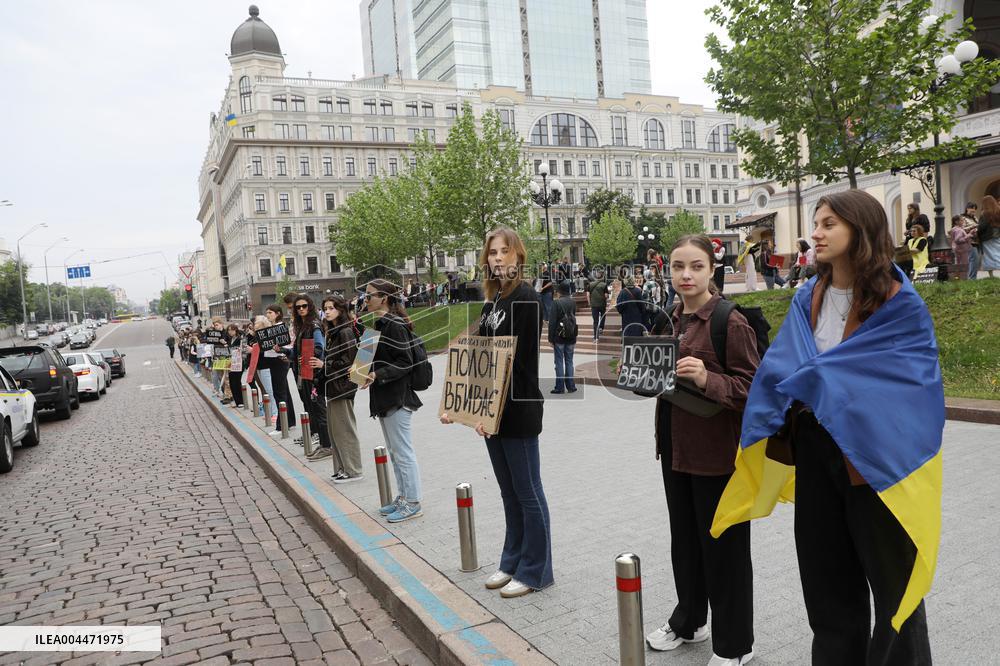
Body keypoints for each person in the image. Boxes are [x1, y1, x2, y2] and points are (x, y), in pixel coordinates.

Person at [712, 189, 941, 665]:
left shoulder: (900, 304)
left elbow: (915, 389)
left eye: (829, 223)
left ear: (861, 231)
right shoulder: (806, 298)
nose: (815, 232)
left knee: (896, 595)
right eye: (816, 222)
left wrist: (823, 380)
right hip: (817, 455)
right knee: (828, 591)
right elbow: (784, 368)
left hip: (877, 463)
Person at [641, 234, 760, 666]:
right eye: (677, 267)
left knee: (725, 550)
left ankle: (735, 645)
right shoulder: (672, 319)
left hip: (718, 457)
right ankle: (689, 621)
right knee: (685, 543)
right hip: (675, 451)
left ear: (712, 270)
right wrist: (641, 373)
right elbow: (661, 383)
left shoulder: (730, 321)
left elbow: (754, 389)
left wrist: (707, 378)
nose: (685, 275)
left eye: (695, 266)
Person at [441, 226, 553, 599]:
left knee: (528, 491)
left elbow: (514, 363)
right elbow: (477, 358)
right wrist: (461, 406)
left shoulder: (525, 299)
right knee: (509, 492)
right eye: (492, 252)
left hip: (517, 408)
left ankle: (536, 570)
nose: (498, 258)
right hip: (494, 412)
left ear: (518, 256)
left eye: (505, 251)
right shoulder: (494, 301)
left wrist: (484, 404)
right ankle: (512, 560)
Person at [360, 279, 424, 523]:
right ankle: (403, 496)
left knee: (403, 452)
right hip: (385, 397)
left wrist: (377, 374)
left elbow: (405, 362)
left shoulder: (394, 325)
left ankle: (413, 501)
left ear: (383, 298)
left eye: (368, 296)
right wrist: (365, 372)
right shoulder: (380, 324)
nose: (365, 301)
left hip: (398, 397)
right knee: (396, 452)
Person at [320, 295, 364, 483]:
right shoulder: (334, 331)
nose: (327, 311)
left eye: (331, 308)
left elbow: (349, 359)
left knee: (344, 429)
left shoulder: (345, 331)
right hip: (334, 386)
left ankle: (353, 469)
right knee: (336, 430)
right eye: (325, 308)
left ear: (340, 309)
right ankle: (342, 467)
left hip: (343, 386)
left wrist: (324, 364)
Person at [286, 295, 335, 461]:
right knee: (312, 409)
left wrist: (309, 359)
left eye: (304, 306)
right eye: (298, 307)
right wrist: (282, 351)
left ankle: (327, 446)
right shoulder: (302, 326)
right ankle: (323, 444)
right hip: (304, 373)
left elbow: (319, 347)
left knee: (319, 410)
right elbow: (295, 352)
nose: (301, 309)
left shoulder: (313, 325)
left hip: (314, 375)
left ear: (310, 306)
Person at [261, 303, 295, 431]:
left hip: (279, 360)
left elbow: (285, 345)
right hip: (274, 360)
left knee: (279, 393)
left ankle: (281, 426)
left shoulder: (279, 327)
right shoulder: (272, 327)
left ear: (278, 313)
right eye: (267, 312)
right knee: (284, 391)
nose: (268, 315)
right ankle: (289, 421)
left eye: (270, 312)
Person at [548, 281, 578, 394]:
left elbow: (552, 322)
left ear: (559, 291)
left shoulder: (556, 303)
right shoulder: (573, 302)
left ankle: (559, 388)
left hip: (559, 336)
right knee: (569, 361)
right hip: (571, 335)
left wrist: (550, 339)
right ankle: (571, 387)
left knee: (559, 362)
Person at [978, 194, 1000, 278]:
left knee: (989, 255)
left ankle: (991, 275)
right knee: (998, 253)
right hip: (998, 235)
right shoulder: (998, 211)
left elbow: (982, 226)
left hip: (987, 237)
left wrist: (977, 229)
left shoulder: (985, 213)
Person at [225, 323, 245, 408]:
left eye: (232, 330)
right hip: (231, 363)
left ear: (236, 330)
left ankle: (240, 401)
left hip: (239, 363)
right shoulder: (230, 339)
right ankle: (236, 400)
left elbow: (243, 350)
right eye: (229, 330)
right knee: (232, 382)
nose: (230, 332)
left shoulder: (240, 339)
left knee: (237, 381)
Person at [961, 202, 981, 279]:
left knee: (976, 260)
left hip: (976, 241)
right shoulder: (962, 218)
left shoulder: (975, 218)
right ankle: (972, 279)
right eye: (971, 209)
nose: (973, 211)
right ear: (967, 208)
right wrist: (973, 226)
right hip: (968, 241)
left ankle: (972, 277)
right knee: (973, 259)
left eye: (974, 209)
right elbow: (961, 229)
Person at [587, 272, 608, 342]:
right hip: (602, 304)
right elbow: (606, 296)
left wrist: (590, 303)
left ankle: (596, 338)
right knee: (603, 315)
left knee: (595, 321)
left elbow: (588, 295)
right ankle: (601, 327)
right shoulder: (604, 285)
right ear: (602, 278)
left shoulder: (590, 285)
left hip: (594, 305)